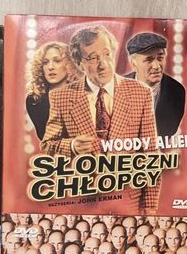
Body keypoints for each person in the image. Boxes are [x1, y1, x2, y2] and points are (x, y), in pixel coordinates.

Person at [41, 26, 159, 212]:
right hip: (81, 201)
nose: (103, 64)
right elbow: (48, 145)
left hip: (127, 200)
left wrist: (150, 207)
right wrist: (72, 146)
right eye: (92, 58)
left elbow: (151, 153)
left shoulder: (140, 93)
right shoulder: (61, 97)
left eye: (107, 54)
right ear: (79, 63)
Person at [124, 31, 186, 137]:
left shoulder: (176, 91)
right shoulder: (117, 88)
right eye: (149, 60)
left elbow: (168, 131)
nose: (157, 66)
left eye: (160, 58)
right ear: (133, 64)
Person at [26, 42, 80, 140]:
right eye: (45, 62)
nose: (50, 67)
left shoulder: (83, 94)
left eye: (57, 61)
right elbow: (47, 138)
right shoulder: (34, 100)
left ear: (70, 64)